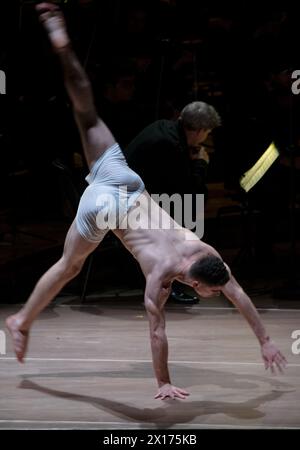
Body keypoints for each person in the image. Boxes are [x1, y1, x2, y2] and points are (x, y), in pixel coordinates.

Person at [6, 3, 286, 401]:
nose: (214, 295)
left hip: (125, 180)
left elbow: (237, 295)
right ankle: (21, 320)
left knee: (86, 113)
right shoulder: (163, 275)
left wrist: (264, 340)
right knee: (69, 266)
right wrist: (162, 382)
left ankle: (61, 42)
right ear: (192, 281)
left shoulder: (207, 253)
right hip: (105, 208)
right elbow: (157, 332)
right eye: (208, 292)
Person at [125, 101, 220, 303]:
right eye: (207, 133)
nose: (206, 138)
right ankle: (170, 280)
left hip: (130, 195)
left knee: (182, 207)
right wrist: (201, 163)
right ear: (200, 130)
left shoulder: (165, 128)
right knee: (186, 212)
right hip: (125, 205)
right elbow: (189, 188)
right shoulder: (170, 145)